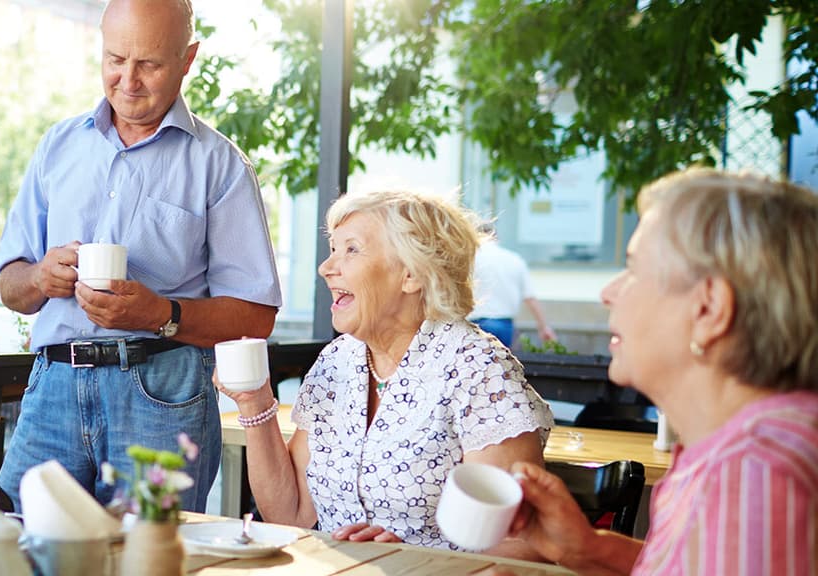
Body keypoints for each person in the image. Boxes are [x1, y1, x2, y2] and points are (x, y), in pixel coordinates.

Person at [0, 0, 282, 511]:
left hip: (161, 394)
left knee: (148, 560)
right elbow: (10, 286)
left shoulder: (221, 165)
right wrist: (41, 276)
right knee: (17, 548)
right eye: (115, 59)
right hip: (53, 387)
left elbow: (256, 316)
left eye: (149, 63)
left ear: (188, 58)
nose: (128, 79)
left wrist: (160, 314)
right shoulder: (57, 147)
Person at [499, 169, 818, 575]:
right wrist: (587, 550)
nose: (608, 292)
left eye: (633, 269)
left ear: (708, 309)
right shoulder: (738, 450)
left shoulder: (755, 470)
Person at [219, 190, 554, 555]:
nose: (326, 267)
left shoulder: (477, 366)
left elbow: (520, 545)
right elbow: (291, 515)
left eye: (351, 249)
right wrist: (255, 402)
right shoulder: (337, 361)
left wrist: (415, 559)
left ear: (410, 273)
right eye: (333, 249)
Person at [469, 222, 557, 348]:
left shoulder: (470, 259)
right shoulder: (515, 259)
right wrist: (544, 327)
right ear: (496, 237)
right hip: (505, 325)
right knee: (501, 365)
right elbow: (530, 297)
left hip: (476, 324)